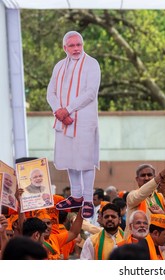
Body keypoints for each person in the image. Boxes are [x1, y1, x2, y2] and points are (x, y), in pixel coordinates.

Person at [47, 30, 101, 220]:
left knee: (85, 160)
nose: (76, 49)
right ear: (65, 48)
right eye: (72, 45)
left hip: (83, 120)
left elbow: (90, 93)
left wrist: (67, 109)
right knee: (70, 158)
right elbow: (50, 92)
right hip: (63, 120)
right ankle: (76, 196)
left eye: (79, 45)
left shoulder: (92, 63)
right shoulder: (59, 66)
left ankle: (87, 199)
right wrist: (58, 111)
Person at [125, 164, 165, 238]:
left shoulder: (159, 196)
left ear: (153, 177)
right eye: (143, 175)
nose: (147, 178)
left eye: (149, 175)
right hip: (136, 244)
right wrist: (160, 176)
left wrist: (164, 191)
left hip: (157, 244)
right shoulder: (132, 196)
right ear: (137, 179)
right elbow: (141, 194)